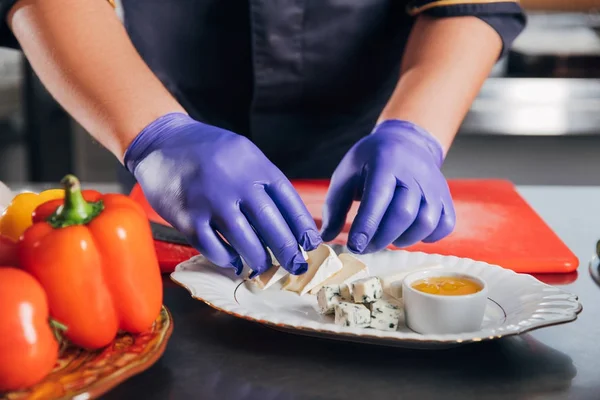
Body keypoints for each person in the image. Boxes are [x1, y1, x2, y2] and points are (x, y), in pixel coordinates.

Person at [2, 0, 525, 277]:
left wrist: (415, 132)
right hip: (164, 140)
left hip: (358, 136)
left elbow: (470, 2)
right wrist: (155, 135)